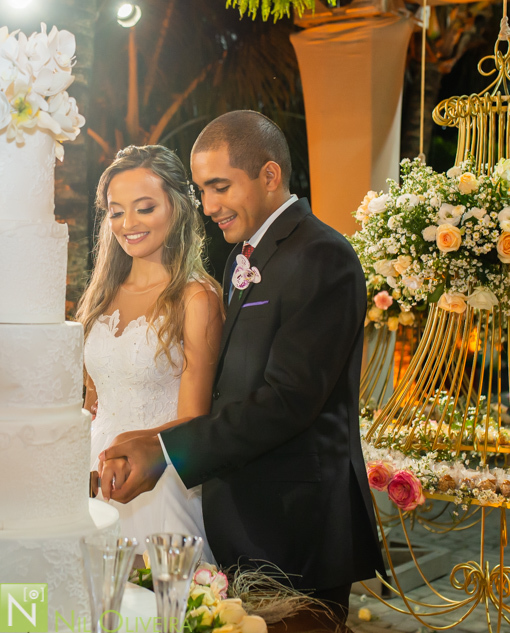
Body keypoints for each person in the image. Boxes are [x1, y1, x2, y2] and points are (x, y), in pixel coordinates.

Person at [98, 111, 383, 632]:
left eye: (219, 187)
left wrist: (165, 450)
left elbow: (289, 401)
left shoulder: (323, 255)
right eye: (203, 190)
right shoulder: (241, 259)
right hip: (241, 518)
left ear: (269, 176)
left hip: (296, 524)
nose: (207, 207)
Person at [76, 145, 223, 562]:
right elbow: (93, 398)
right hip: (89, 473)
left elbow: (195, 420)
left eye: (144, 208)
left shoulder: (197, 298)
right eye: (116, 211)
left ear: (176, 209)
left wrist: (141, 459)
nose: (128, 224)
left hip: (159, 480)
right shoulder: (100, 297)